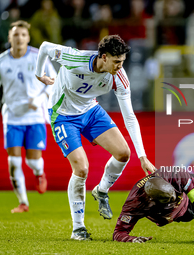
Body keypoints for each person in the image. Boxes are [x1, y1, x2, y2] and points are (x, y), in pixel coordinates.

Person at [35, 35, 156, 241]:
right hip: (63, 115)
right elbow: (45, 47)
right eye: (116, 62)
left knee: (123, 153)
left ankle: (101, 191)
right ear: (103, 57)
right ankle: (78, 229)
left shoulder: (119, 77)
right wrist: (40, 75)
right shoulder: (75, 58)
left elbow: (129, 116)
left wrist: (142, 156)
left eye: (122, 62)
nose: (120, 67)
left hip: (90, 111)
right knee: (81, 168)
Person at [0, 20, 57, 213]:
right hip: (12, 117)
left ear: (28, 38)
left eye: (23, 35)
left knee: (33, 161)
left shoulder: (38, 57)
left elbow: (53, 82)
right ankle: (23, 203)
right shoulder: (0, 61)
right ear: (10, 37)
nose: (19, 38)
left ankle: (39, 173)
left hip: (34, 116)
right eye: (16, 34)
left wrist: (41, 97)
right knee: (14, 161)